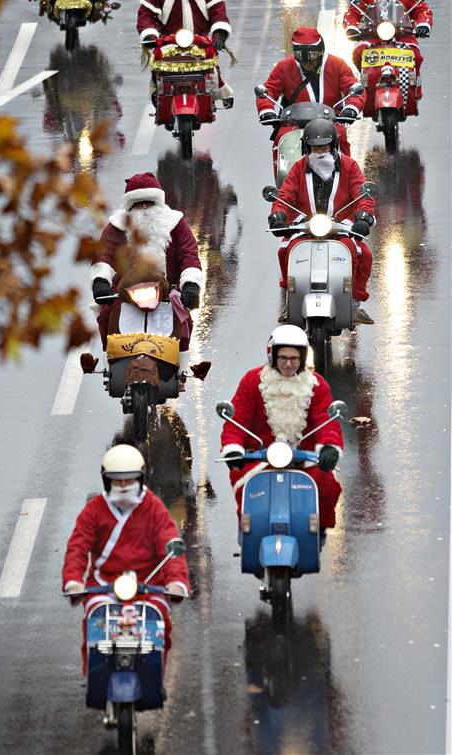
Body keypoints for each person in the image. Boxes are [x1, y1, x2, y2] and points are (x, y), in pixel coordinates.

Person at [63, 444, 190, 669]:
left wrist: (176, 582)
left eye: (129, 480)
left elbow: (169, 544)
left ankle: (156, 673)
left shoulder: (154, 508)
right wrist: (73, 581)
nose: (123, 486)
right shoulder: (93, 510)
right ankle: (94, 675)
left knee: (160, 623)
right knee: (93, 623)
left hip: (149, 586)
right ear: (106, 480)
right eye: (117, 480)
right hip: (104, 586)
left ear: (140, 479)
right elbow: (78, 547)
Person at [220, 325, 343, 534]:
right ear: (272, 356)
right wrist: (233, 449)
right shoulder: (252, 381)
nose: (288, 364)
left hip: (304, 459)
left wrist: (330, 448)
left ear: (302, 358)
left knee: (327, 486)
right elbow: (236, 420)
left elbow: (327, 420)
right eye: (283, 358)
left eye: (294, 358)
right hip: (260, 459)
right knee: (246, 489)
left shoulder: (317, 385)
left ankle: (316, 531)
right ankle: (250, 532)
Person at [268, 118, 376, 325]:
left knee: (363, 254)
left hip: (341, 227)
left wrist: (363, 218)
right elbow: (285, 195)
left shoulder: (350, 166)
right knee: (285, 250)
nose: (319, 151)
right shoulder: (298, 168)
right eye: (314, 148)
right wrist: (278, 216)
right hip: (306, 226)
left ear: (333, 145)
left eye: (324, 146)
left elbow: (363, 195)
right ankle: (292, 298)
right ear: (306, 148)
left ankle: (353, 304)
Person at [91, 172, 203, 355]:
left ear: (158, 204)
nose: (144, 209)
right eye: (138, 204)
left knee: (185, 323)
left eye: (149, 203)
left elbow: (189, 254)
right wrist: (100, 282)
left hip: (168, 291)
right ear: (130, 207)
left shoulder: (176, 223)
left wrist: (190, 284)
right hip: (125, 291)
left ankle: (181, 373)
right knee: (106, 317)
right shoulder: (117, 226)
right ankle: (110, 369)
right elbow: (102, 254)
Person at [136, 0, 234, 107]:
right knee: (158, 67)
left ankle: (219, 92)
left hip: (200, 41)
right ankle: (157, 92)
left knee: (212, 65)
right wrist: (149, 36)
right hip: (169, 42)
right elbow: (146, 14)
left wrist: (220, 34)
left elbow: (218, 12)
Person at [256, 27, 366, 157]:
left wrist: (351, 108)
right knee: (282, 141)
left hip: (330, 121)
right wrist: (266, 110)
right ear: (295, 53)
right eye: (300, 56)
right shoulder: (284, 67)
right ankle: (285, 177)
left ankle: (346, 177)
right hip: (293, 122)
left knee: (340, 139)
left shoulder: (337, 65)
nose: (307, 61)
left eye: (312, 55)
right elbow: (268, 91)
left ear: (320, 51)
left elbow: (354, 88)